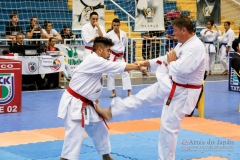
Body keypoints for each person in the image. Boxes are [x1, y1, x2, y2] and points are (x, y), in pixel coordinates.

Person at [104, 16, 206, 160]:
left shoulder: (196, 47)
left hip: (183, 93)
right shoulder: (183, 44)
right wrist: (146, 63)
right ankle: (111, 111)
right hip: (170, 84)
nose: (174, 34)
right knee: (142, 96)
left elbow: (181, 69)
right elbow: (166, 59)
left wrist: (172, 62)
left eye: (176, 31)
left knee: (168, 128)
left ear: (184, 30)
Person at [57, 37, 140, 160]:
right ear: (100, 50)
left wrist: (94, 100)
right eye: (108, 50)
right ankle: (65, 159)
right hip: (75, 103)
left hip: (86, 102)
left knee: (100, 129)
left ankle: (106, 156)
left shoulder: (95, 60)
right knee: (74, 136)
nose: (110, 53)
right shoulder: (94, 60)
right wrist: (137, 66)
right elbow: (116, 66)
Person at [105, 18, 132, 98]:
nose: (116, 27)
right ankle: (113, 92)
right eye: (114, 25)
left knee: (125, 73)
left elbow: (124, 44)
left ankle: (129, 91)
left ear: (119, 25)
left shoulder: (124, 34)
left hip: (120, 56)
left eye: (117, 25)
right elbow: (106, 45)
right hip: (112, 56)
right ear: (112, 25)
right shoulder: (108, 35)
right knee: (110, 74)